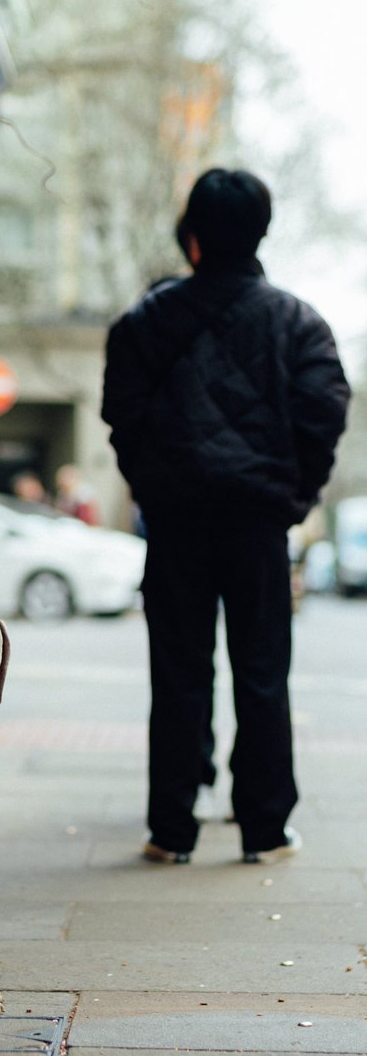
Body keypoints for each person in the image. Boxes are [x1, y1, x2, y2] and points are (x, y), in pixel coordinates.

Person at [102, 167, 350, 865]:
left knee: (179, 672)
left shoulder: (149, 318)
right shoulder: (298, 322)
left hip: (177, 523)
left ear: (194, 232)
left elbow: (123, 413)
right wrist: (292, 496)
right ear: (262, 230)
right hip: (259, 524)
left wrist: (154, 486)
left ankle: (170, 829)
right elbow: (324, 413)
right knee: (263, 672)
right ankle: (266, 829)